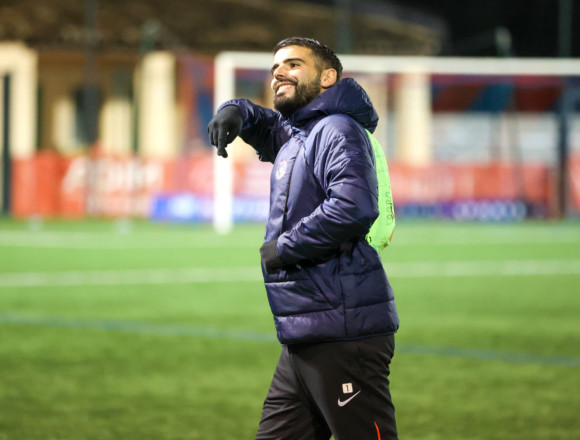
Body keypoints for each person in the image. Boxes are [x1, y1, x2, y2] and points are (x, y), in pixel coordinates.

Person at [208, 37, 399, 440]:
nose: (279, 72)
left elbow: (354, 206)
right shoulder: (299, 133)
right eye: (276, 66)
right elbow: (264, 124)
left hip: (342, 329)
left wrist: (284, 248)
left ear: (327, 77)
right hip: (306, 330)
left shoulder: (337, 129)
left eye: (294, 65)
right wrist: (233, 111)